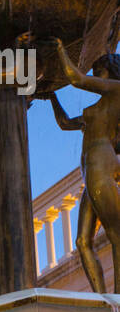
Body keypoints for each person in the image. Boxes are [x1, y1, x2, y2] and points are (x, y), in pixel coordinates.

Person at [48, 43, 120, 293]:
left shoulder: (117, 90)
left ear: (111, 70)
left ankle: (118, 298)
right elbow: (65, 123)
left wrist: (59, 48)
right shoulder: (100, 107)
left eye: (98, 69)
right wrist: (52, 97)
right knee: (82, 241)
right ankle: (101, 299)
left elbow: (76, 79)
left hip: (101, 162)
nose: (95, 73)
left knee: (116, 233)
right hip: (91, 169)